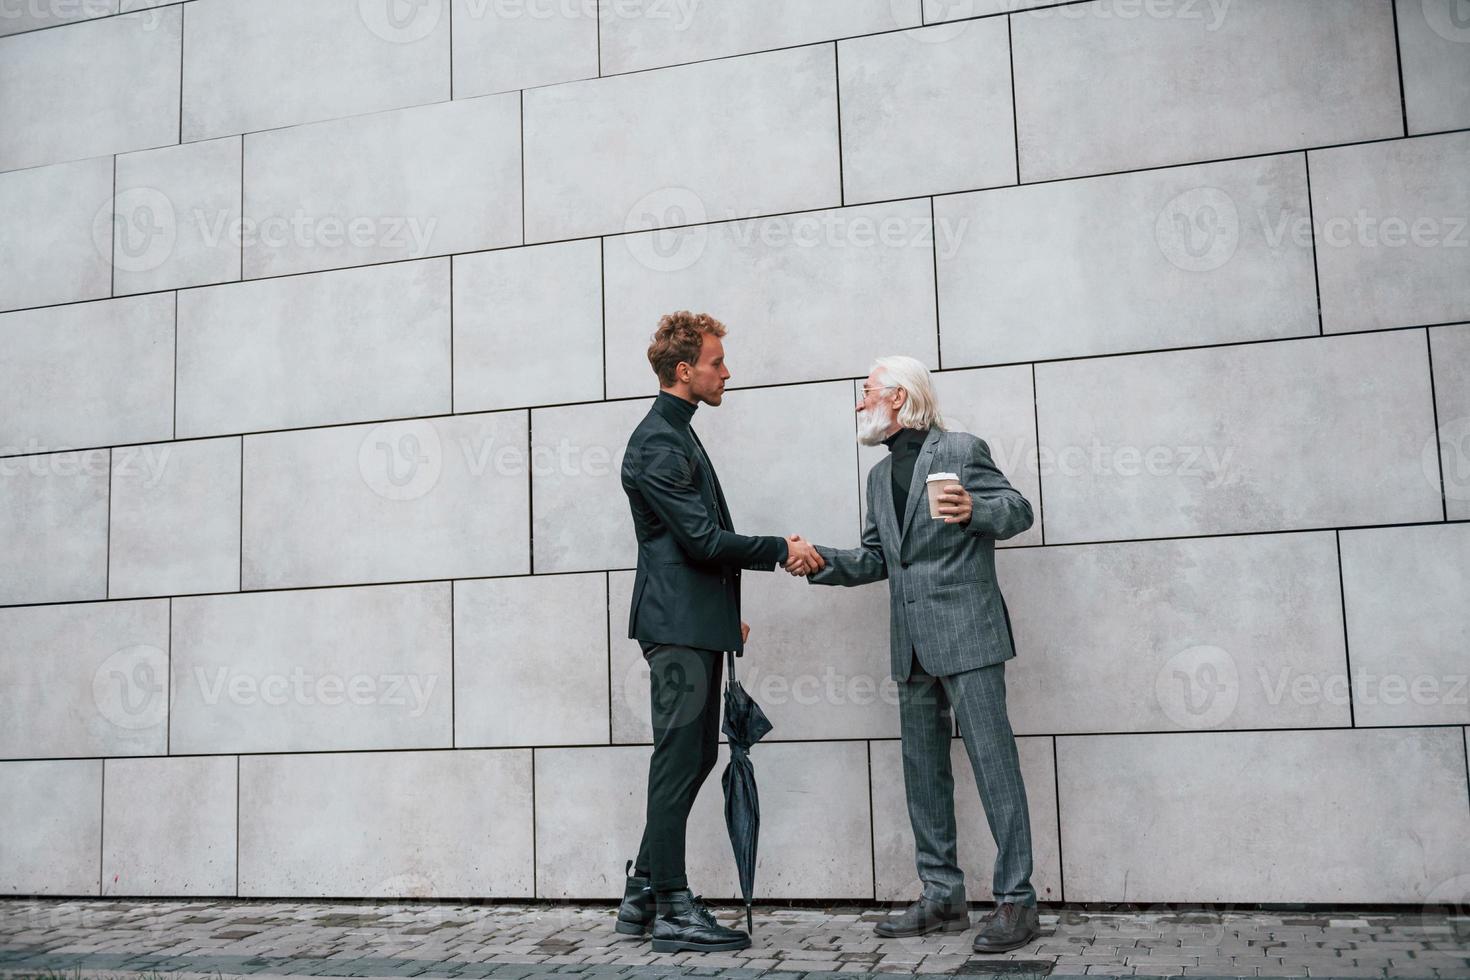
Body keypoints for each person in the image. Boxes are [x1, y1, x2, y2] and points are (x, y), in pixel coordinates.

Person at [786, 355, 1041, 953]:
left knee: (993, 765)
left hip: (969, 635)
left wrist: (976, 510)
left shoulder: (960, 450)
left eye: (867, 391)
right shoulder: (878, 478)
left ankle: (1016, 901)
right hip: (910, 644)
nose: (859, 402)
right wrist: (819, 560)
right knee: (923, 774)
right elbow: (879, 558)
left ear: (898, 397)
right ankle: (942, 896)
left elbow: (1019, 510)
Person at [614, 310, 824, 953]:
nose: (726, 372)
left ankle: (643, 892)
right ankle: (673, 906)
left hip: (691, 622)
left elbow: (684, 550)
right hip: (674, 629)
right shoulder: (658, 441)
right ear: (685, 371)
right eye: (715, 362)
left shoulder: (677, 435)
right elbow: (701, 540)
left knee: (695, 755)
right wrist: (780, 547)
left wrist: (718, 612)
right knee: (678, 758)